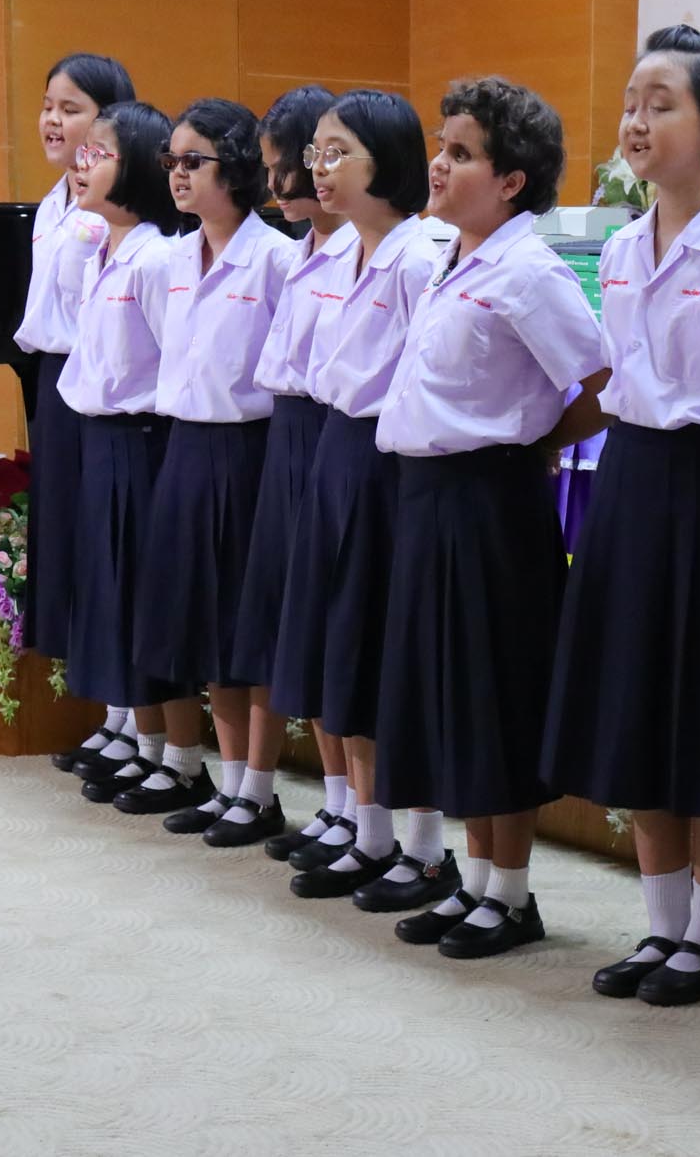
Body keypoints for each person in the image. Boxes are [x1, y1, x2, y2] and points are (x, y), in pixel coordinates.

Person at [539, 25, 700, 1003]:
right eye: (629, 104)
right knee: (637, 707)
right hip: (630, 484)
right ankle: (662, 928)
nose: (635, 122)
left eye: (660, 104)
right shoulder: (616, 247)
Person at [371, 77, 607, 959]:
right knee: (451, 691)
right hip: (429, 496)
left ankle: (510, 895)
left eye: (461, 153)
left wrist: (534, 444)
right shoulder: (455, 259)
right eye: (442, 146)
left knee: (494, 692)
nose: (438, 163)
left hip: (490, 502)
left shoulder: (529, 271)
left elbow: (601, 384)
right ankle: (475, 885)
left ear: (511, 181)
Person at [268, 90, 440, 902]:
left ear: (389, 160)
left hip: (388, 460)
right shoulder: (342, 254)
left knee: (384, 651)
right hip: (335, 445)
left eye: (338, 153)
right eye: (316, 154)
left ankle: (425, 847)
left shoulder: (420, 256)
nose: (319, 169)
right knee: (341, 642)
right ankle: (368, 831)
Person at [128, 98, 292, 827]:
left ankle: (259, 788)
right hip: (186, 445)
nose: (177, 174)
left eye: (194, 161)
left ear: (239, 166)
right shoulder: (172, 257)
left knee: (247, 625)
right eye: (171, 161)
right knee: (202, 620)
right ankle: (228, 784)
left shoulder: (277, 257)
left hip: (250, 451)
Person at [51, 101, 205, 812]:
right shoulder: (103, 250)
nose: (80, 163)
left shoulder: (156, 257)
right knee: (115, 598)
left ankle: (183, 760)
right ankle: (146, 747)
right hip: (102, 441)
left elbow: (179, 359)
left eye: (99, 153)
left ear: (138, 167)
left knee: (151, 604)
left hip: (145, 444)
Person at [229, 86, 363, 856]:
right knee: (299, 623)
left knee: (332, 622)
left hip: (328, 431)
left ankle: (360, 810)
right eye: (277, 165)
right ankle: (338, 801)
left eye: (297, 163)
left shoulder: (360, 252)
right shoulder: (306, 249)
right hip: (289, 431)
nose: (282, 182)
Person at [17, 53, 136, 777]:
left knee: (106, 544)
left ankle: (133, 718)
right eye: (48, 106)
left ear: (108, 121)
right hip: (53, 379)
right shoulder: (54, 202)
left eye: (71, 109)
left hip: (96, 384)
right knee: (71, 540)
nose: (53, 121)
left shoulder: (113, 215)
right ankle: (111, 714)